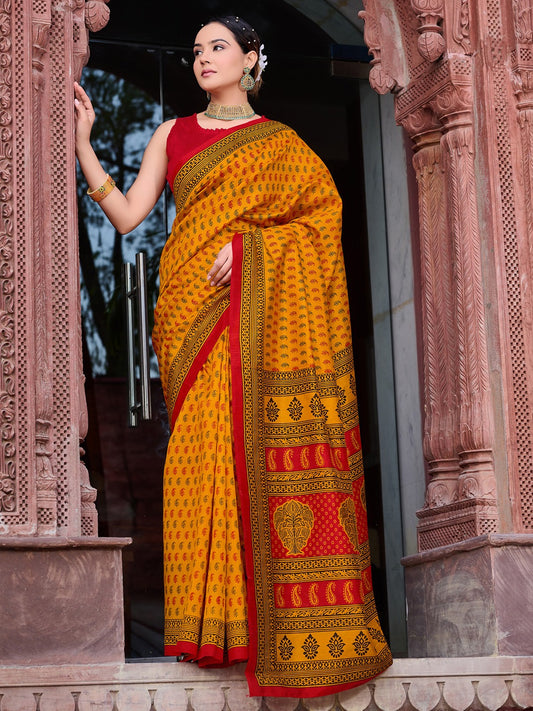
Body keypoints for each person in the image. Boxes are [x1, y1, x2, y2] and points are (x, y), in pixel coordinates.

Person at [74, 15, 392, 698]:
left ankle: (259, 628)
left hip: (252, 306)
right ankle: (209, 627)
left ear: (252, 58)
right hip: (189, 311)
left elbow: (318, 218)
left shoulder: (281, 144)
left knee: (248, 453)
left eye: (217, 47)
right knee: (196, 460)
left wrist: (251, 249)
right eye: (194, 50)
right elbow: (131, 216)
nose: (202, 59)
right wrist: (85, 147)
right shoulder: (171, 133)